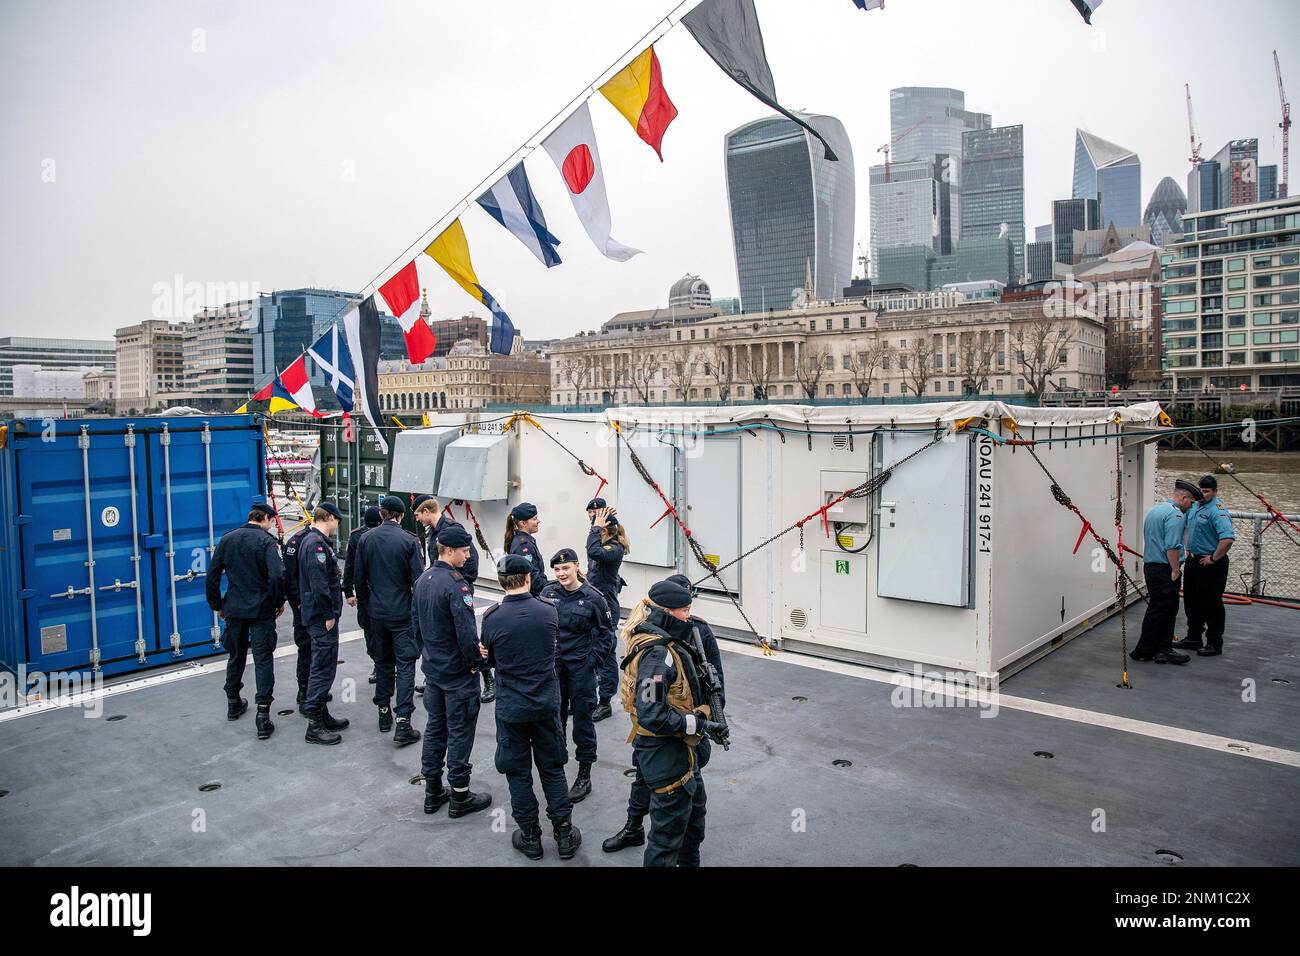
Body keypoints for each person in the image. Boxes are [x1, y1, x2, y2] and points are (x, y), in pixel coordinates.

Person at [603, 573, 725, 855]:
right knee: (667, 839)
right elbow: (652, 713)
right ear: (669, 613)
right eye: (685, 611)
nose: (688, 617)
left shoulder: (659, 640)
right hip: (667, 753)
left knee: (692, 825)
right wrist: (701, 725)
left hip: (676, 750)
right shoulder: (658, 656)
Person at [482, 553, 582, 860]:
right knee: (552, 768)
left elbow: (490, 660)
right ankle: (564, 833)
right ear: (528, 578)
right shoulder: (548, 611)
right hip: (545, 704)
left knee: (518, 771)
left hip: (512, 707)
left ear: (501, 581)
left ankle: (530, 835)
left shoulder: (492, 617)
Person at [413, 524, 492, 818]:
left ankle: (433, 791)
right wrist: (477, 663)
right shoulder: (457, 585)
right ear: (448, 550)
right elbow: (467, 635)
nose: (468, 555)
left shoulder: (423, 580)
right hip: (458, 675)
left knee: (435, 728)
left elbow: (416, 627)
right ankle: (460, 795)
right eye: (464, 550)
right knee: (460, 733)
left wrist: (430, 655)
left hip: (433, 671)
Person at [205, 501, 286, 740]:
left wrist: (217, 605)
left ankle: (233, 701)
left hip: (235, 609)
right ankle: (263, 715)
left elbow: (212, 576)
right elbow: (278, 575)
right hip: (261, 610)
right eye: (271, 521)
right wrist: (278, 601)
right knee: (262, 659)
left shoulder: (228, 539)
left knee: (236, 655)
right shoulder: (266, 542)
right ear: (265, 519)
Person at [540, 548, 612, 804]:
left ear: (577, 567)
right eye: (557, 570)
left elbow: (607, 636)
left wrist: (592, 662)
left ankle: (584, 774)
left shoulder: (593, 598)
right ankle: (556, 765)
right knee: (554, 719)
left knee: (583, 721)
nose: (561, 574)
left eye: (565, 569)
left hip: (580, 669)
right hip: (554, 669)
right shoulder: (548, 593)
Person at [353, 496, 425, 745]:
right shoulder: (409, 541)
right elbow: (418, 580)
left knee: (383, 663)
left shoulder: (365, 539)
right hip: (402, 613)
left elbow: (359, 578)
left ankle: (383, 712)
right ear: (401, 515)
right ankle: (403, 721)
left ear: (382, 514)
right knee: (405, 665)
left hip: (376, 613)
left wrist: (365, 606)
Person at [419, 496, 492, 703]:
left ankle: (487, 677)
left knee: (466, 630)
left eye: (417, 514)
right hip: (443, 584)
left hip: (455, 586)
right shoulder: (434, 532)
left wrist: (463, 583)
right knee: (444, 630)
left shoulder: (452, 529)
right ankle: (434, 678)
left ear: (426, 511)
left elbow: (471, 558)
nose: (416, 519)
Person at [1130, 479, 1203, 665]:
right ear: (1184, 498)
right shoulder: (1175, 516)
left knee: (1157, 608)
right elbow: (1172, 546)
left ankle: (1153, 649)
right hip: (1165, 569)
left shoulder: (1157, 510)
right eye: (1192, 502)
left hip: (1151, 567)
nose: (1192, 505)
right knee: (1168, 610)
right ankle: (1155, 650)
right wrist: (1175, 569)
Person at [299, 503, 351, 744]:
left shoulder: (309, 541)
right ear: (328, 517)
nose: (336, 525)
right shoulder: (317, 545)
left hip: (317, 615)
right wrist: (328, 614)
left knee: (324, 665)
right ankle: (314, 725)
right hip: (322, 619)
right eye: (336, 521)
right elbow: (320, 584)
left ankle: (322, 715)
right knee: (322, 667)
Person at [1174, 474, 1235, 657]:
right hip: (1194, 560)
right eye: (1200, 490)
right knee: (1192, 601)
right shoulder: (1194, 507)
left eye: (1207, 491)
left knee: (1212, 604)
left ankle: (1215, 643)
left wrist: (1214, 558)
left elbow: (1227, 538)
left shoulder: (1217, 511)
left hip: (1210, 564)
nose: (1203, 494)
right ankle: (1194, 637)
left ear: (1215, 492)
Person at [585, 499, 628, 722]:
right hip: (594, 605)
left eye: (598, 530)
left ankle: (605, 702)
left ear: (605, 531)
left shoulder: (613, 549)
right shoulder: (603, 545)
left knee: (606, 654)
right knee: (590, 650)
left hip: (606, 609)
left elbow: (593, 552)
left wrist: (595, 527)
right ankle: (591, 698)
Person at [342, 506, 382, 688]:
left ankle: (378, 663)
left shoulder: (357, 536)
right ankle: (383, 664)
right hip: (380, 593)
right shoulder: (383, 536)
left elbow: (349, 565)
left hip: (365, 593)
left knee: (369, 629)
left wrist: (348, 591)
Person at [505, 502, 547, 596]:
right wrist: (550, 589)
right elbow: (532, 578)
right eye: (534, 519)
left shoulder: (519, 539)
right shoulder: (524, 546)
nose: (538, 521)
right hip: (533, 595)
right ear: (523, 523)